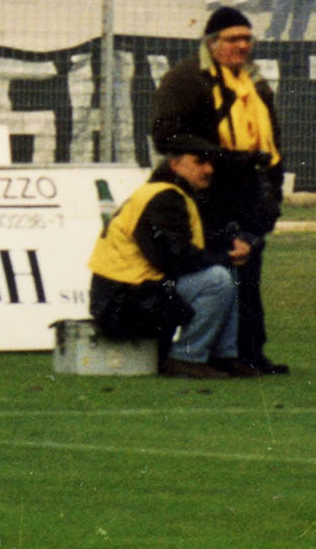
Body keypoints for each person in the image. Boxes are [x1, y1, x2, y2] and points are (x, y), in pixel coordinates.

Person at [151, 6, 288, 375]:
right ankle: (202, 352)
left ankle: (246, 353)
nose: (242, 46)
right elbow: (165, 135)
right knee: (215, 269)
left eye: (247, 39)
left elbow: (271, 142)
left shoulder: (255, 83)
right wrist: (225, 156)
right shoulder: (185, 79)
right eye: (233, 39)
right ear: (211, 43)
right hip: (204, 191)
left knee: (247, 271)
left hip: (249, 190)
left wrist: (271, 192)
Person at [87, 134, 253, 379]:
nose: (208, 169)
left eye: (210, 163)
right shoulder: (164, 197)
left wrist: (232, 244)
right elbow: (175, 258)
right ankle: (186, 358)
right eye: (199, 162)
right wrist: (226, 257)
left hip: (128, 295)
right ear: (175, 164)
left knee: (224, 271)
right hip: (122, 303)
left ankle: (223, 356)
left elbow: (191, 243)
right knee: (217, 278)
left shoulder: (170, 193)